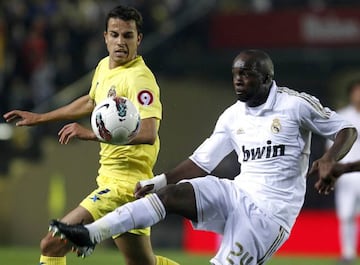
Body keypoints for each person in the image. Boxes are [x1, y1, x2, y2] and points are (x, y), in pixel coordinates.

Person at [49, 49, 357, 265]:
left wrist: (330, 158)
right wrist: (157, 182)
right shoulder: (232, 116)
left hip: (270, 215)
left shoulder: (295, 105)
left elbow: (347, 129)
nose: (238, 80)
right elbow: (201, 162)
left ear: (266, 78)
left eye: (246, 75)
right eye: (235, 74)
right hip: (236, 192)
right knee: (171, 195)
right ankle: (90, 234)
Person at [3, 5, 178, 265]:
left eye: (128, 35)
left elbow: (149, 132)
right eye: (115, 35)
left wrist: (91, 134)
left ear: (138, 39)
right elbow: (90, 102)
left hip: (125, 185)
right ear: (105, 37)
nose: (121, 42)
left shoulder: (140, 79)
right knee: (143, 263)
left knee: (51, 244)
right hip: (112, 179)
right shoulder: (105, 67)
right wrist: (40, 118)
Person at [327, 80, 360, 265]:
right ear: (350, 94)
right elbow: (331, 147)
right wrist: (331, 170)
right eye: (356, 92)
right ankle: (348, 254)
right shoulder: (342, 117)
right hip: (345, 175)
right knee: (346, 215)